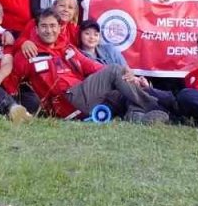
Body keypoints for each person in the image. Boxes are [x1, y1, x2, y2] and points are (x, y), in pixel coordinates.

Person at [10, 9, 169, 122]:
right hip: (66, 100)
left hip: (83, 97)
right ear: (36, 29)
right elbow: (12, 80)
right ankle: (158, 108)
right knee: (113, 70)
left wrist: (122, 74)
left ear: (59, 28)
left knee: (122, 92)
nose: (48, 30)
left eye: (52, 26)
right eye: (44, 26)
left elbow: (91, 66)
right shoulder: (28, 53)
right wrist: (11, 106)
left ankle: (137, 117)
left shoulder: (67, 47)